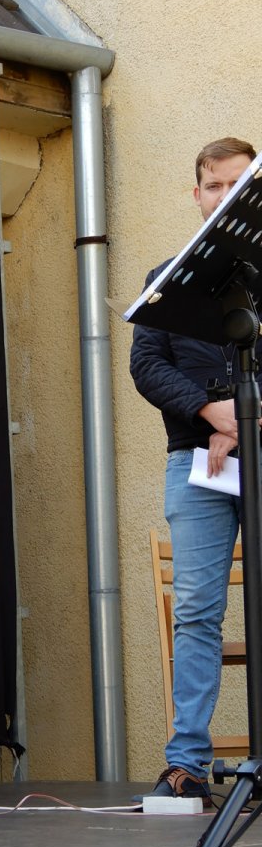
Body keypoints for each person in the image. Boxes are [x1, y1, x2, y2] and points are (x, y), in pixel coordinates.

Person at [130, 136, 260, 805]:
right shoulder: (166, 276)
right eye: (215, 185)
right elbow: (146, 366)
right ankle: (186, 764)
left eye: (239, 184)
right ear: (197, 194)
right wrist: (214, 413)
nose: (225, 196)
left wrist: (248, 422)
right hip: (196, 463)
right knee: (198, 611)